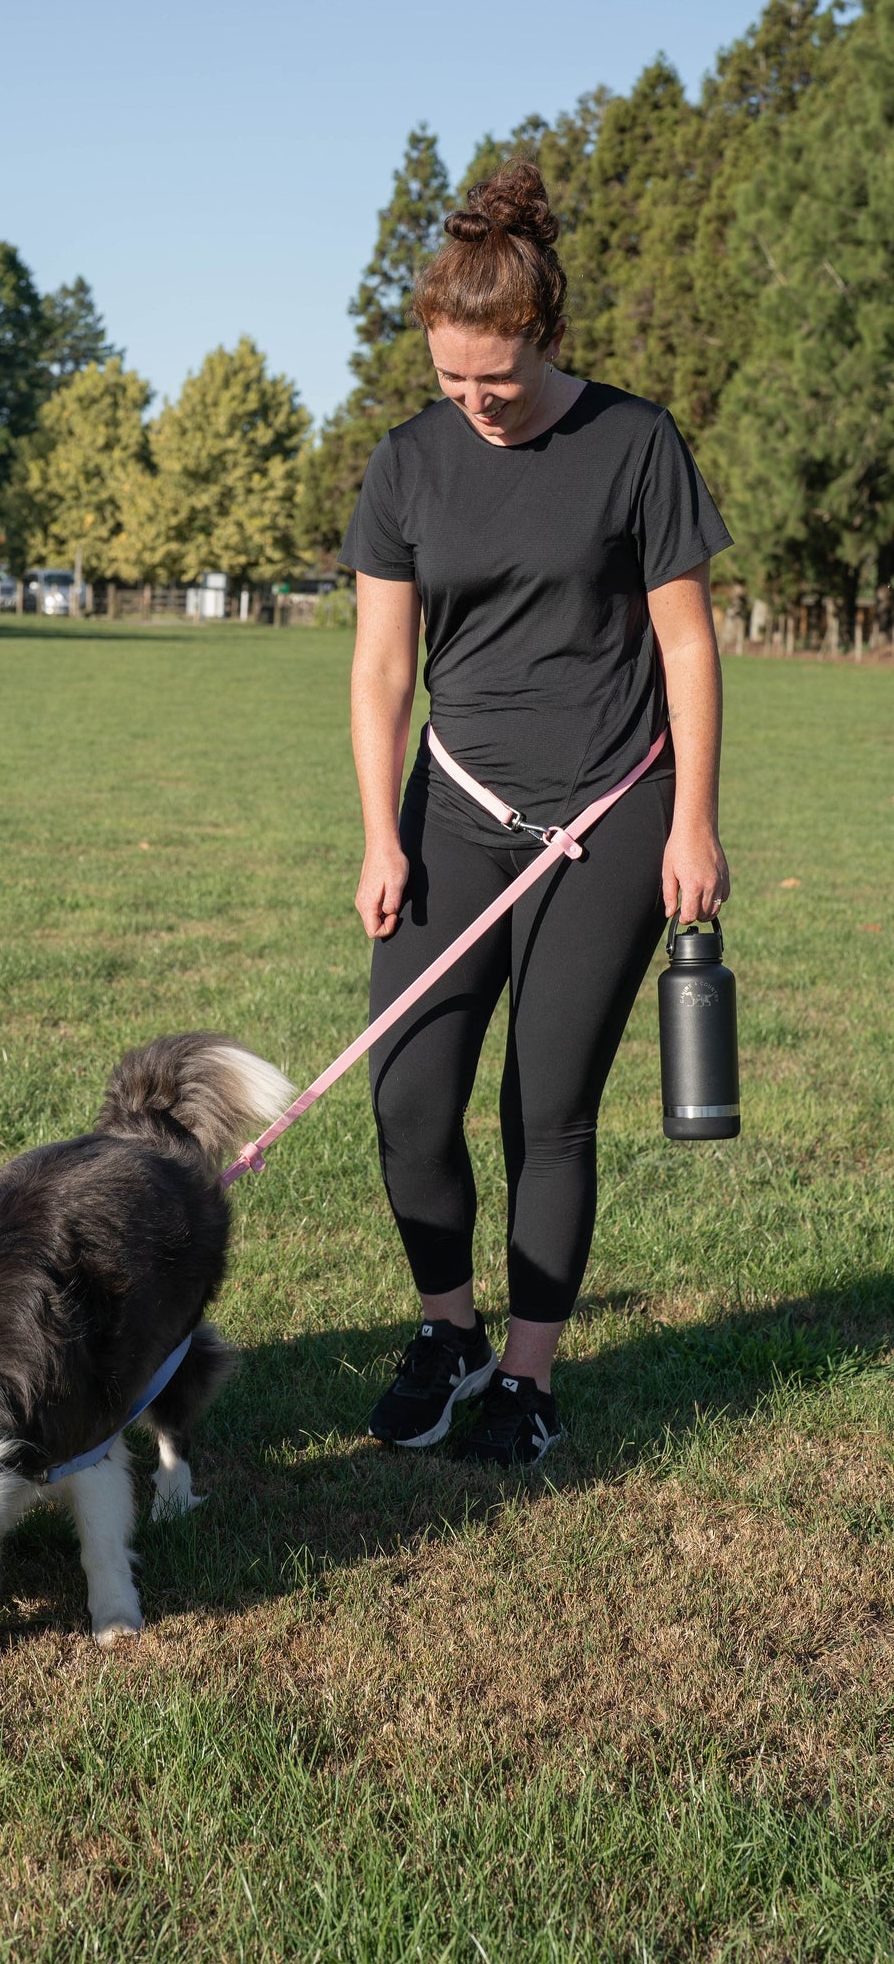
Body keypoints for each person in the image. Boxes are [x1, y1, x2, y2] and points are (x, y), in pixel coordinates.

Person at [341, 160, 731, 1468]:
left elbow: (685, 646)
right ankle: (446, 1332)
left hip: (614, 809)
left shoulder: (633, 444)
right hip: (452, 810)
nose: (473, 403)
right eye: (451, 382)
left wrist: (693, 823)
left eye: (493, 381)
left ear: (543, 338)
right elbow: (382, 664)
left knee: (544, 1107)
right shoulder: (406, 465)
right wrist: (379, 834)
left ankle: (525, 1378)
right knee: (407, 1092)